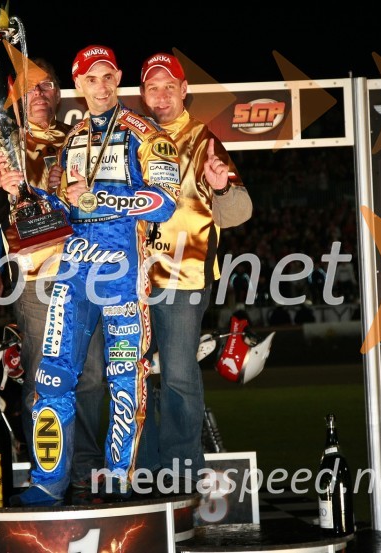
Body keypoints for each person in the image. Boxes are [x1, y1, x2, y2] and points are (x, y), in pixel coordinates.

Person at [13, 45, 181, 505]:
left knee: (125, 376)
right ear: (78, 85)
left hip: (124, 273)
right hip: (74, 269)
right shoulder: (71, 140)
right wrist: (26, 195)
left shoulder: (145, 134)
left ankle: (120, 478)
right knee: (51, 375)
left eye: (108, 77)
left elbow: (165, 200)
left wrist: (101, 202)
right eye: (91, 79)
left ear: (118, 78)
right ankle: (50, 480)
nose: (101, 86)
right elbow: (65, 209)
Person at [0, 58, 106, 485]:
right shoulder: (3, 145)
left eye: (49, 86)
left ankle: (85, 467)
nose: (41, 94)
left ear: (59, 94)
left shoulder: (80, 139)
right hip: (33, 277)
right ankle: (45, 469)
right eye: (32, 88)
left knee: (89, 374)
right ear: (15, 96)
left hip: (83, 272)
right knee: (39, 373)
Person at [137, 52, 252, 490]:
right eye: (153, 87)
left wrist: (222, 186)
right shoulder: (133, 136)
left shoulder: (205, 140)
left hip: (185, 276)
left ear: (185, 91)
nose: (162, 95)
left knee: (181, 374)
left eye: (170, 86)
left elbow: (240, 211)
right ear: (143, 94)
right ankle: (141, 469)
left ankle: (183, 471)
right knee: (136, 377)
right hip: (133, 278)